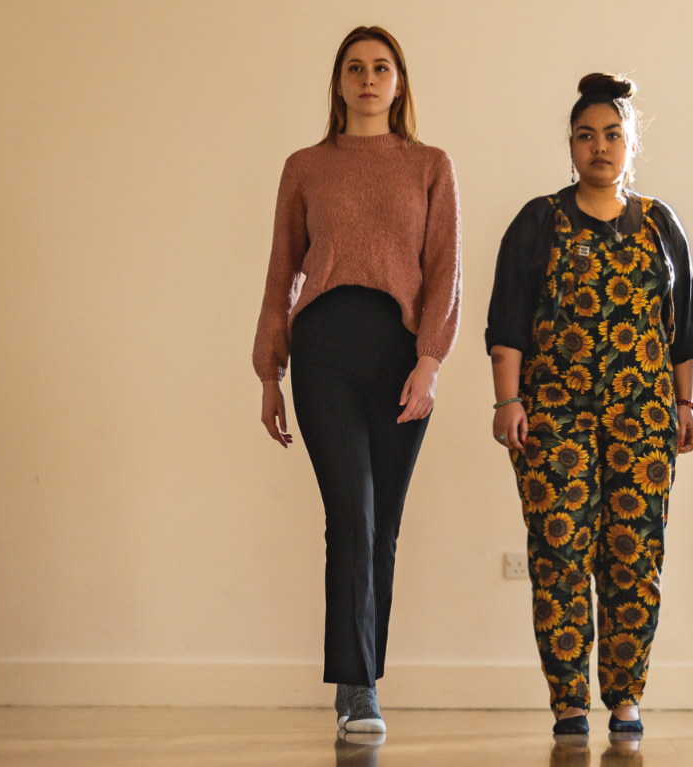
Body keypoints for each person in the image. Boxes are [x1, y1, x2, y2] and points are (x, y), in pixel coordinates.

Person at [251, 25, 461, 734]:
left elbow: (444, 271)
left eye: (381, 68)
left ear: (398, 83)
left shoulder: (430, 164)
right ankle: (357, 687)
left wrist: (429, 360)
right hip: (324, 350)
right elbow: (282, 271)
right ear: (338, 83)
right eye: (354, 68)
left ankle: (362, 675)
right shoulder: (306, 166)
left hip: (400, 353)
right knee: (352, 516)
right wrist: (269, 371)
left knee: (384, 527)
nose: (367, 79)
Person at [485, 73, 693, 736]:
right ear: (570, 145)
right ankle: (569, 699)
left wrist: (685, 403)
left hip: (644, 417)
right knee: (559, 557)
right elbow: (506, 323)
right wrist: (507, 400)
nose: (598, 147)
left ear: (631, 145)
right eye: (585, 135)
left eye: (612, 134)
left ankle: (626, 694)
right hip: (553, 418)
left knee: (634, 555)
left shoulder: (661, 223)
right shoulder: (539, 220)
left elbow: (683, 328)